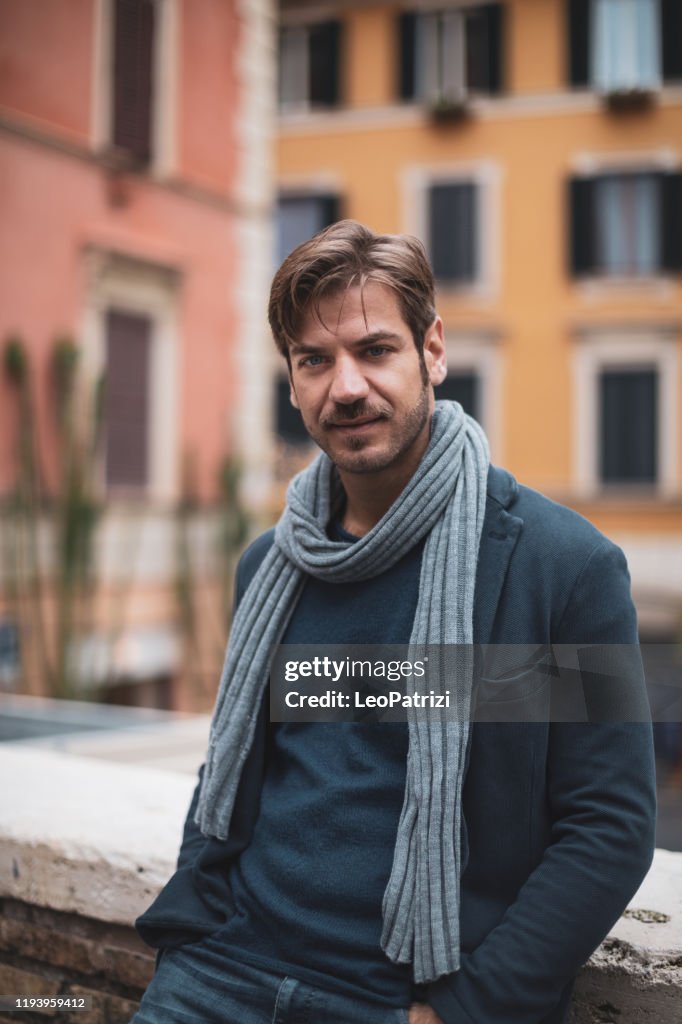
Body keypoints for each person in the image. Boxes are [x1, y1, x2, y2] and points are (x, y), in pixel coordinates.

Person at [132, 221, 656, 1024]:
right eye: (315, 360)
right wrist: (192, 939)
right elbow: (232, 771)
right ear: (293, 380)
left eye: (375, 350)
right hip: (223, 973)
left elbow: (609, 827)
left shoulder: (565, 568)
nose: (346, 386)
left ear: (432, 352)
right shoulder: (271, 567)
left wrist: (463, 1010)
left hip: (403, 1000)